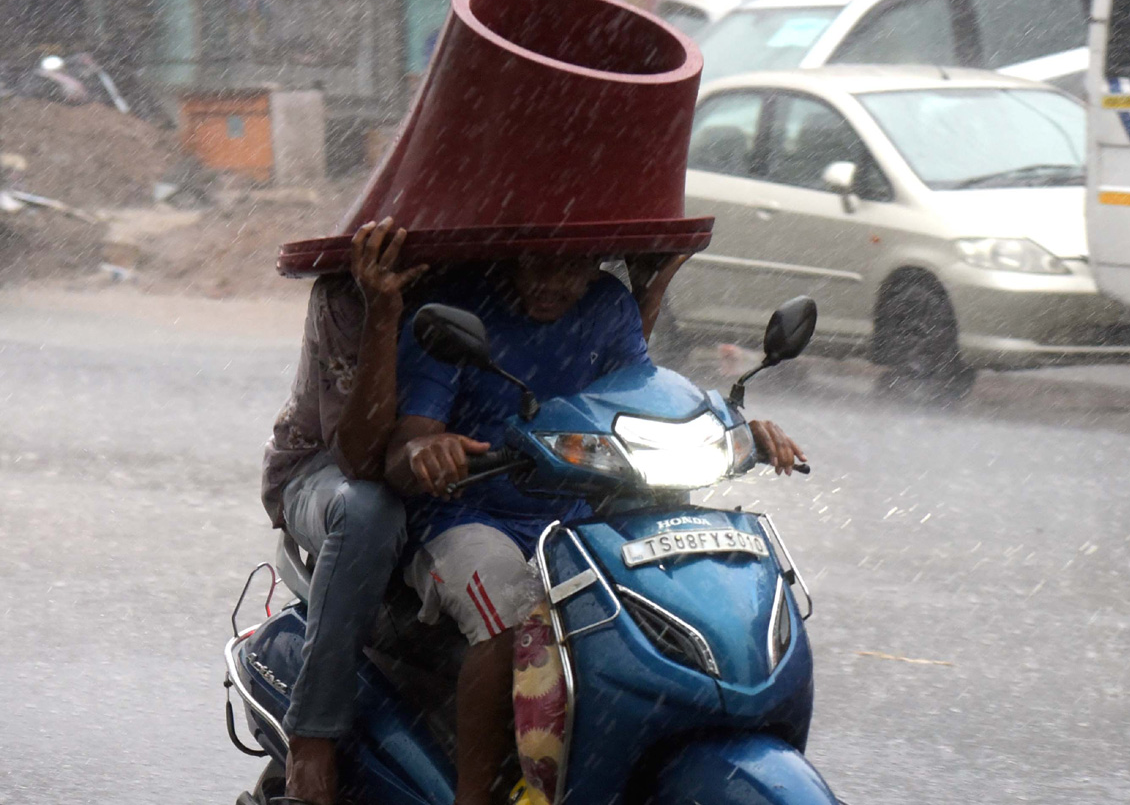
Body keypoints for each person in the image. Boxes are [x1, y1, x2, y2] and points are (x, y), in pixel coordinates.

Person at [385, 252, 805, 805]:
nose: (550, 281)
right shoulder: (459, 310)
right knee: (512, 618)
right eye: (536, 263)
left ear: (593, 265)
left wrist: (737, 432)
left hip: (573, 519)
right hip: (469, 516)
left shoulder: (608, 305)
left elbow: (640, 394)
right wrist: (425, 450)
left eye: (568, 267)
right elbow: (402, 448)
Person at [260, 217, 426, 805]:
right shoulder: (347, 291)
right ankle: (314, 735)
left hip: (453, 475)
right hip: (321, 470)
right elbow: (358, 455)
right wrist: (384, 310)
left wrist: (651, 287)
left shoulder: (526, 286)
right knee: (367, 511)